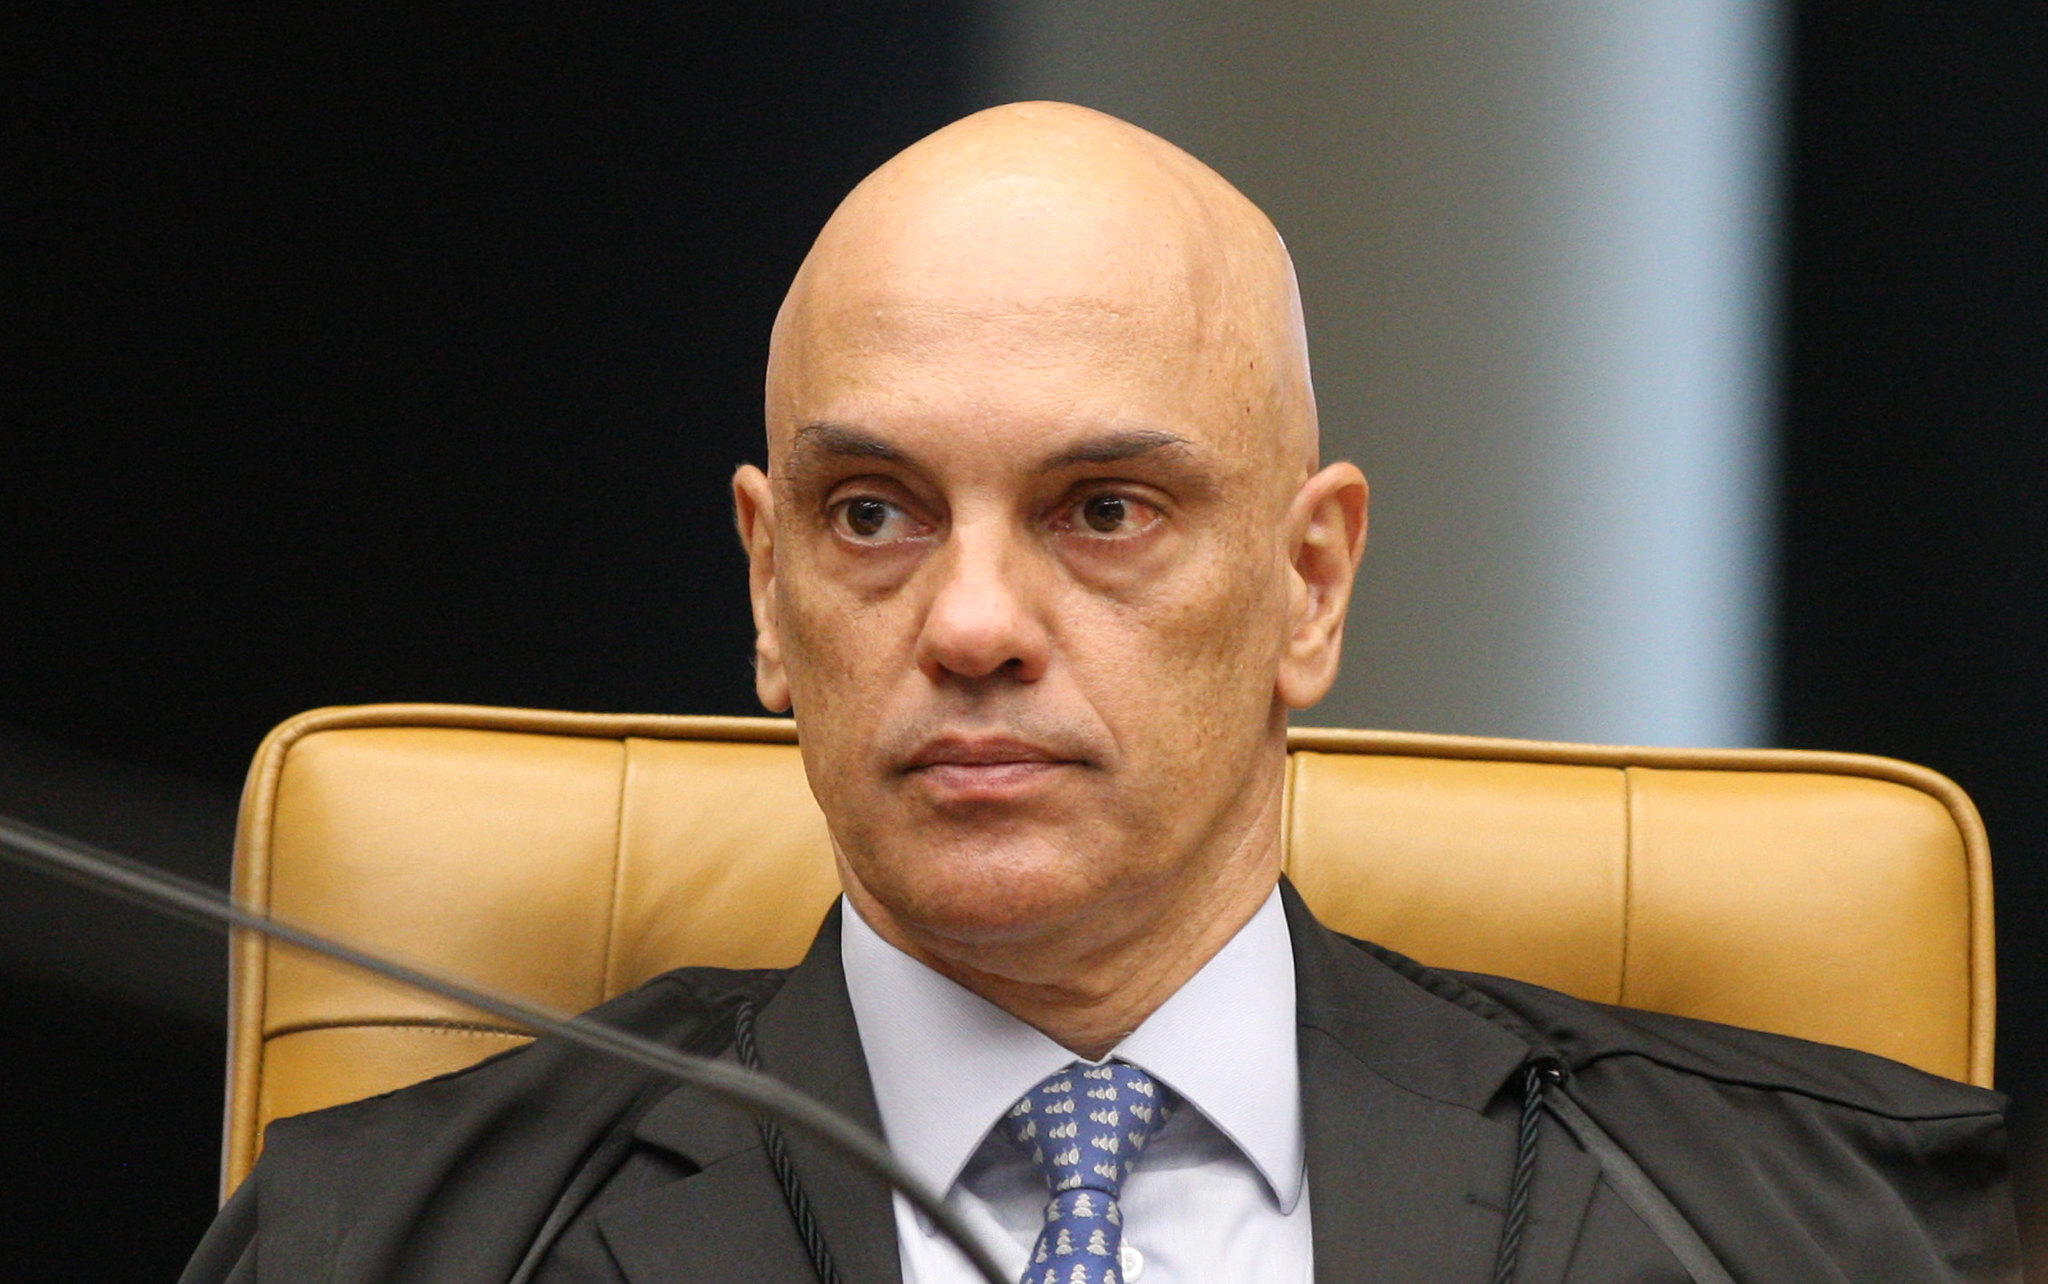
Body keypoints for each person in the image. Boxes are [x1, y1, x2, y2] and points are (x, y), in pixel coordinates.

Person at [181, 102, 2019, 1284]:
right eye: (874, 511)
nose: (974, 622)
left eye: (1104, 510)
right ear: (768, 590)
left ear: (1309, 583)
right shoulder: (381, 1244)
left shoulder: (1820, 1229)